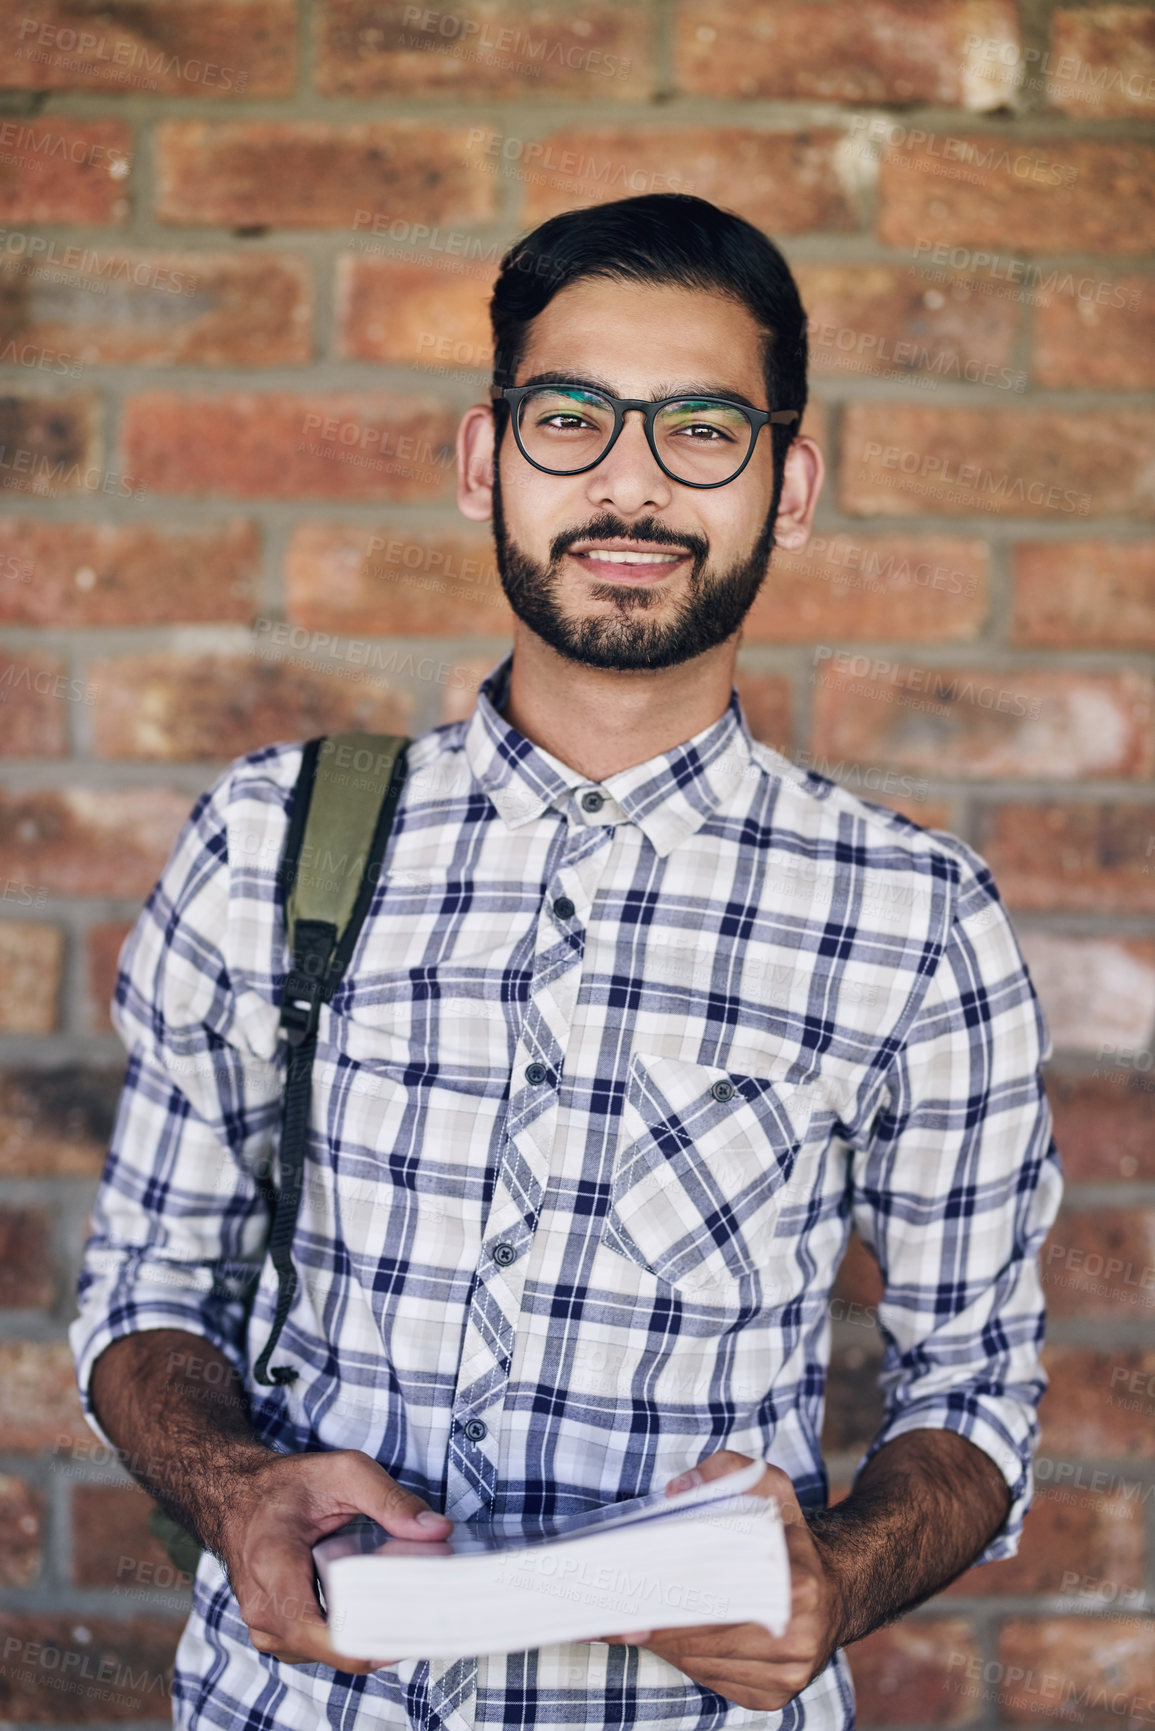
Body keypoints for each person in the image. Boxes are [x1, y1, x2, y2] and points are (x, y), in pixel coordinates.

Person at [71, 192, 1063, 1730]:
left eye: (702, 432)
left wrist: (841, 1579)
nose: (630, 484)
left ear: (788, 489)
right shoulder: (277, 839)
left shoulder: (915, 917)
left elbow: (975, 1392)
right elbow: (148, 1287)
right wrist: (237, 1488)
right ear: (488, 460)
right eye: (573, 418)